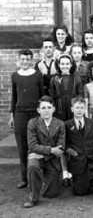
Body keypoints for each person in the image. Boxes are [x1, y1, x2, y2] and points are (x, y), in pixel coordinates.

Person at [8, 49, 44, 189]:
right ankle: (24, 178)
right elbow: (14, 98)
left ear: (31, 60)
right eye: (22, 59)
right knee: (22, 147)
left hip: (35, 114)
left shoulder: (37, 75)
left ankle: (38, 176)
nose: (25, 62)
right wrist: (12, 115)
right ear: (19, 60)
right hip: (20, 114)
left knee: (36, 145)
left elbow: (42, 96)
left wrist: (41, 114)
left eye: (27, 59)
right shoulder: (15, 76)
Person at [23, 96, 65, 208]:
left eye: (49, 107)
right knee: (33, 166)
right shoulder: (32, 123)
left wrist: (43, 153)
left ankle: (41, 183)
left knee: (51, 194)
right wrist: (51, 150)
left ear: (54, 109)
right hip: (39, 157)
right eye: (43, 108)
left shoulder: (60, 124)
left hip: (51, 160)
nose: (46, 110)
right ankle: (34, 197)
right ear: (38, 110)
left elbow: (61, 147)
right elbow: (32, 146)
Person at [64, 96, 93, 196]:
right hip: (78, 161)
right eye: (77, 107)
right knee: (80, 192)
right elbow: (64, 143)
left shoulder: (92, 123)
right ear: (72, 109)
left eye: (82, 107)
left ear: (85, 108)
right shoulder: (67, 125)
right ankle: (81, 182)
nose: (79, 110)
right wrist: (69, 150)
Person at [49, 54, 83, 121]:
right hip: (59, 107)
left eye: (67, 64)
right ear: (59, 65)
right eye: (62, 64)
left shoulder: (76, 78)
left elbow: (80, 95)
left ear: (71, 64)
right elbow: (51, 96)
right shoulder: (54, 79)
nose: (65, 66)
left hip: (72, 107)